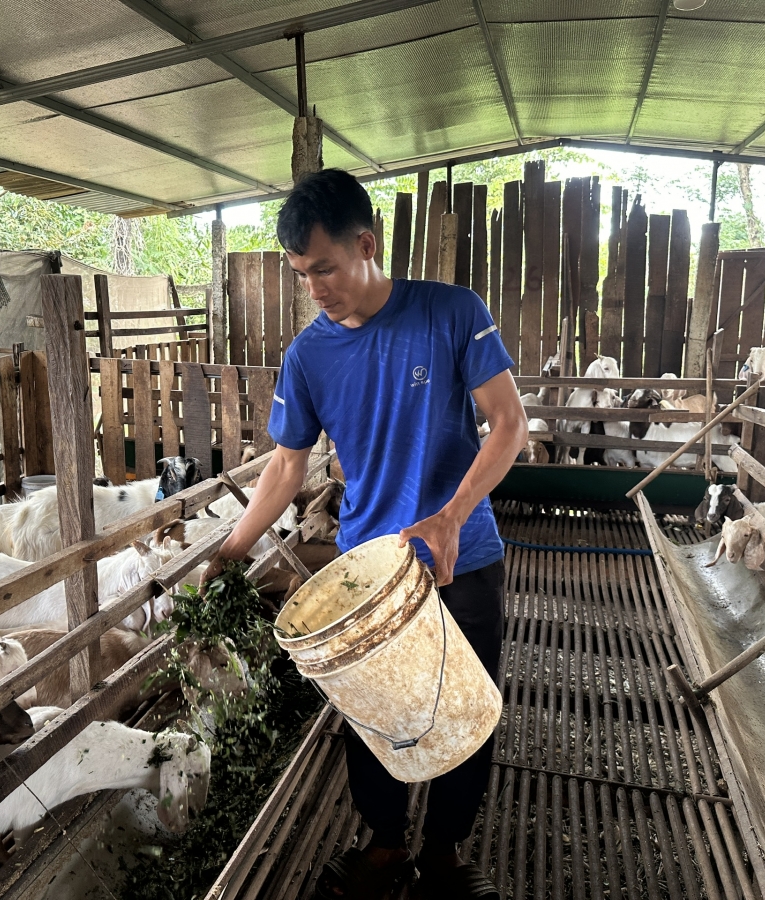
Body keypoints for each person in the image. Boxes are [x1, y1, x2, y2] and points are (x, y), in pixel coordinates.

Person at [203, 169, 527, 899]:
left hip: (459, 553)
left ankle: (443, 853)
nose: (315, 288)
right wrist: (230, 551)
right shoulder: (308, 354)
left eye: (325, 268)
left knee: (463, 705)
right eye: (301, 275)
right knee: (370, 710)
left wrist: (450, 514)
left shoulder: (450, 313)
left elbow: (509, 426)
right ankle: (384, 845)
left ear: (366, 245)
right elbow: (288, 465)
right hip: (367, 573)